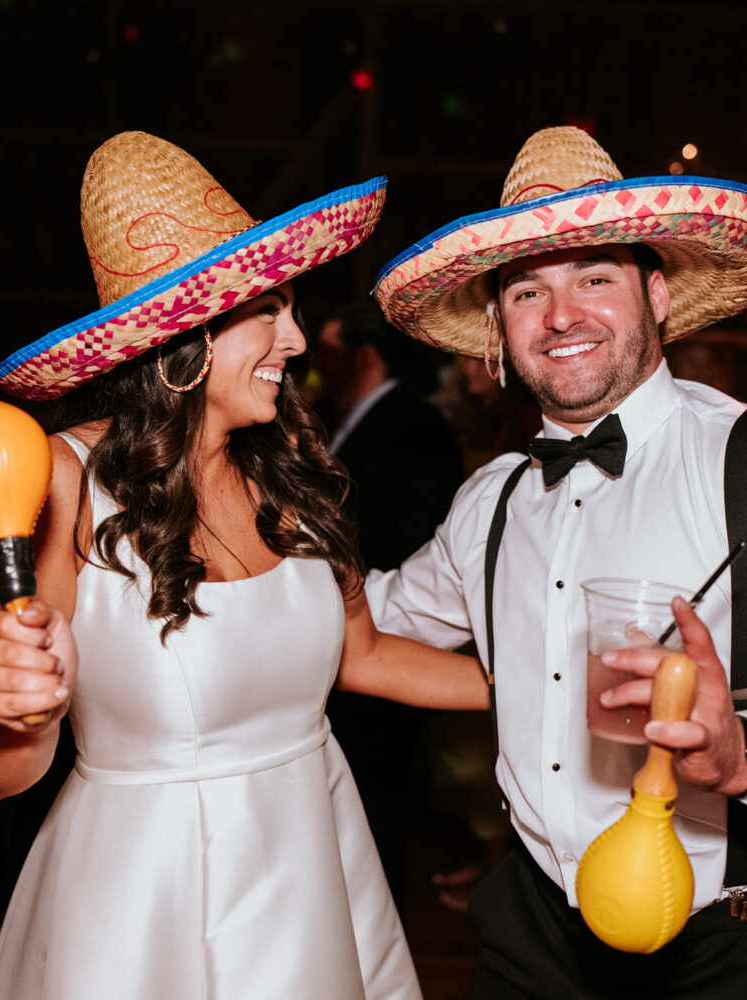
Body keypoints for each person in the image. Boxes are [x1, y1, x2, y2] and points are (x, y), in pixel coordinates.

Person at [366, 126, 747, 998]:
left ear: (660, 294)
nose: (562, 316)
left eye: (595, 277)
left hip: (733, 950)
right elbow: (365, 619)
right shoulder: (488, 501)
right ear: (498, 327)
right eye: (528, 290)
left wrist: (744, 748)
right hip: (531, 941)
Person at [0, 131, 488, 999]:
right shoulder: (51, 484)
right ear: (183, 337)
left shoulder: (292, 473)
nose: (299, 339)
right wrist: (17, 709)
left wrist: (542, 690)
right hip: (144, 901)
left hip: (319, 863)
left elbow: (362, 656)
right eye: (269, 310)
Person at [314, 302, 467, 913]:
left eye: (327, 350)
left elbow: (404, 543)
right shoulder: (341, 423)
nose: (311, 362)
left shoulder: (417, 429)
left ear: (365, 354)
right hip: (344, 650)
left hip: (386, 652)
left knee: (377, 814)